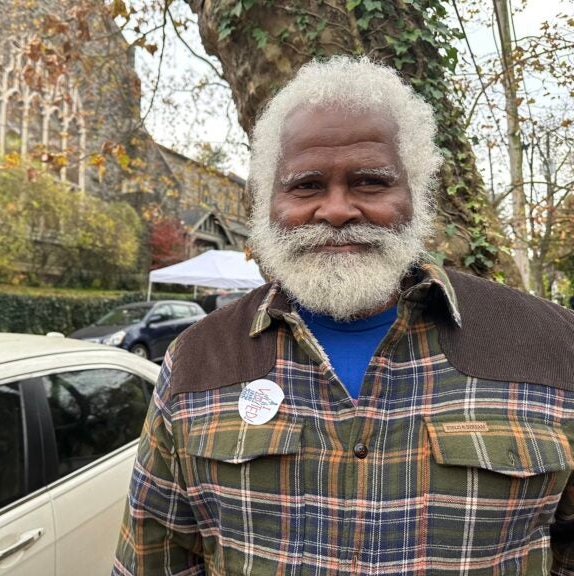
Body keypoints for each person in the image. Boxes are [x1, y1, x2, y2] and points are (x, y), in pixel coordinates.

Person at [113, 57, 574, 575]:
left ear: (416, 194)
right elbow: (156, 563)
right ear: (268, 202)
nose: (336, 210)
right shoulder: (198, 360)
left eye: (370, 182)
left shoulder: (554, 348)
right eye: (306, 185)